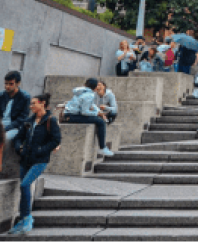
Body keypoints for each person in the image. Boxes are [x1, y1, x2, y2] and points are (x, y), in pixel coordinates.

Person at [8, 93, 61, 235]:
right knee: (23, 189)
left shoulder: (50, 120)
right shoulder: (28, 122)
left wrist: (41, 150)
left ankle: (28, 218)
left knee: (25, 185)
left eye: (33, 103)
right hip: (25, 159)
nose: (31, 106)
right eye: (30, 104)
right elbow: (18, 138)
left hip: (40, 161)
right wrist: (20, 148)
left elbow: (56, 140)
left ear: (42, 103)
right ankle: (23, 219)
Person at [62, 78, 113, 156]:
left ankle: (103, 147)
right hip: (72, 116)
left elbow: (91, 105)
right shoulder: (89, 95)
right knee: (100, 122)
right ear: (96, 88)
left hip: (68, 114)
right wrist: (97, 113)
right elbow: (85, 112)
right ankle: (102, 147)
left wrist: (98, 111)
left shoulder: (81, 91)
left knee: (99, 119)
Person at [0, 71, 30, 142]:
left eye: (11, 84)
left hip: (14, 128)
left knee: (3, 138)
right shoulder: (1, 95)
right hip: (1, 125)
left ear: (18, 83)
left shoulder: (25, 97)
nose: (7, 86)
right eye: (6, 83)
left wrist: (5, 128)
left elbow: (22, 119)